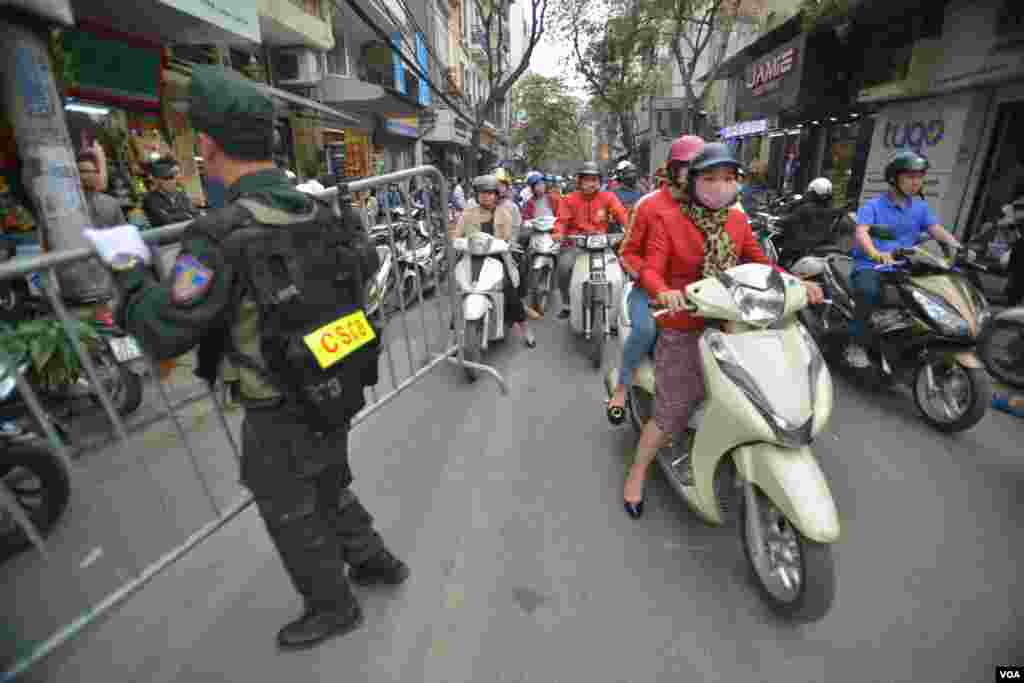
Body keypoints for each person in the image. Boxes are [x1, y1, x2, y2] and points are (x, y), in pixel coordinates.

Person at [83, 65, 408, 650]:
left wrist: (128, 266)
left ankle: (333, 607)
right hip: (338, 378)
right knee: (328, 479)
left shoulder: (220, 232)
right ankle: (374, 560)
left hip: (279, 399)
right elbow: (363, 276)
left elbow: (165, 327)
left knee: (287, 502)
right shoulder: (323, 211)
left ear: (206, 145)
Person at [622, 143, 824, 518]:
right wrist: (664, 292)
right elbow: (650, 267)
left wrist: (795, 282)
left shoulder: (736, 221)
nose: (720, 186)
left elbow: (760, 263)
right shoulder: (669, 218)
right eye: (710, 178)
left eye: (728, 178)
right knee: (673, 409)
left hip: (737, 318)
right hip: (683, 320)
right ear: (693, 181)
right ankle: (636, 473)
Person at [606, 135, 705, 425]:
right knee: (645, 331)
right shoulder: (648, 205)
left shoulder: (711, 206)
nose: (699, 176)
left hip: (700, 294)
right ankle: (622, 388)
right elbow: (628, 253)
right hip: (649, 292)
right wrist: (652, 283)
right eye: (691, 169)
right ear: (674, 170)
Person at [849, 149, 964, 368]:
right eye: (910, 177)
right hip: (872, 264)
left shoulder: (920, 208)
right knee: (868, 291)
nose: (916, 182)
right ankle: (857, 343)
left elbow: (936, 230)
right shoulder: (873, 206)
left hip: (905, 265)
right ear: (894, 178)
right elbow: (861, 232)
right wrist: (875, 253)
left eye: (920, 177)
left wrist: (957, 246)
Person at [449, 175, 536, 347]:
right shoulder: (468, 214)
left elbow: (509, 238)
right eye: (482, 193)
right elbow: (457, 235)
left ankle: (525, 328)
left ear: (496, 195)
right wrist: (456, 241)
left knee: (509, 290)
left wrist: (508, 244)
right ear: (476, 195)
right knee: (461, 289)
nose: (486, 196)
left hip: (496, 258)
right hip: (471, 257)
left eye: (490, 193)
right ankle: (455, 332)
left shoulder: (503, 213)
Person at [553, 162, 630, 319]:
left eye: (594, 180)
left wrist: (630, 229)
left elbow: (621, 214)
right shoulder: (569, 199)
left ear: (599, 182)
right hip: (577, 244)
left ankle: (619, 309)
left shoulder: (608, 197)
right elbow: (561, 221)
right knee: (563, 267)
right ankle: (567, 303)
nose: (590, 184)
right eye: (586, 180)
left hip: (602, 244)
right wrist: (558, 233)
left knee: (623, 270)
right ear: (579, 181)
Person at [772, 177, 853, 266]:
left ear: (813, 192)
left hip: (798, 246)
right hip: (819, 245)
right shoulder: (832, 210)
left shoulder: (806, 209)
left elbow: (788, 220)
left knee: (780, 264)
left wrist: (777, 221)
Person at [142, 156, 198, 227]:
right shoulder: (150, 199)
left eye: (178, 173)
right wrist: (187, 215)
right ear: (157, 180)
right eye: (170, 177)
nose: (177, 178)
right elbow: (166, 221)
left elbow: (196, 215)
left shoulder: (182, 195)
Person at [493, 168, 522, 234]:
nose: (499, 188)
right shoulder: (486, 205)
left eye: (502, 185)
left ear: (507, 187)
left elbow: (516, 229)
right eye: (496, 185)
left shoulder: (513, 207)